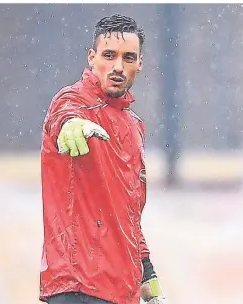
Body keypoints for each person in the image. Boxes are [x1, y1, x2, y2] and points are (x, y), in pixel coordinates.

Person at [39, 14, 166, 304]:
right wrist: (70, 124)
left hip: (122, 290)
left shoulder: (134, 125)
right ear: (92, 57)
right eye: (109, 55)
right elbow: (63, 112)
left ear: (140, 63)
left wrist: (148, 275)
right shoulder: (73, 100)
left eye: (128, 57)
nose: (118, 66)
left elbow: (128, 214)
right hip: (77, 285)